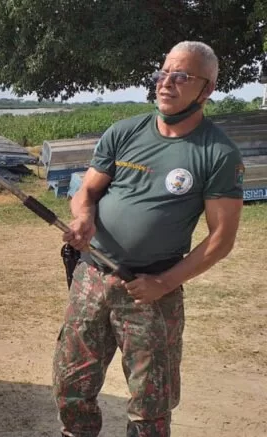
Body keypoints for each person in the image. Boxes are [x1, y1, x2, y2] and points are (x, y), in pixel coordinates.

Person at [53, 40, 244, 437]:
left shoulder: (218, 153)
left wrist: (165, 283)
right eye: (163, 73)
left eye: (181, 76)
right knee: (71, 385)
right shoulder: (124, 132)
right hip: (92, 278)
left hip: (151, 293)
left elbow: (221, 238)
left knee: (150, 403)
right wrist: (84, 218)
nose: (165, 83)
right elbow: (86, 192)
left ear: (206, 90)